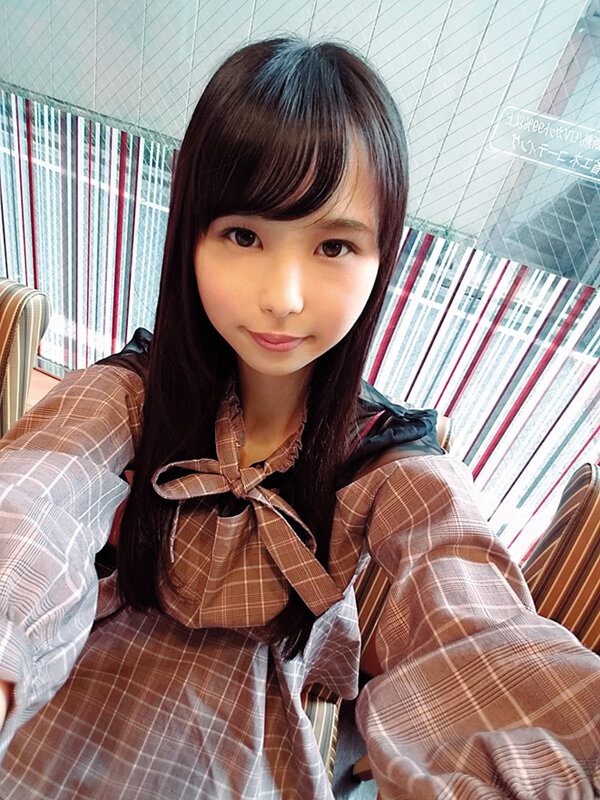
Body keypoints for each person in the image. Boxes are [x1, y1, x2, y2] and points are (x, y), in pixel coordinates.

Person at [0, 37, 598, 800]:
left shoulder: (383, 455)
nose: (283, 297)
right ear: (190, 238)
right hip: (77, 684)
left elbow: (471, 607)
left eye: (334, 245)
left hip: (250, 724)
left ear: (383, 259)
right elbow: (33, 499)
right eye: (244, 236)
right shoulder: (132, 393)